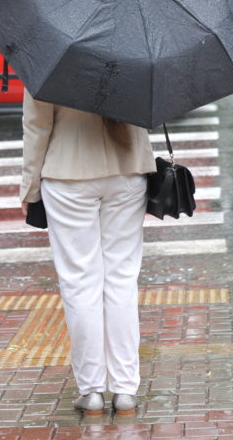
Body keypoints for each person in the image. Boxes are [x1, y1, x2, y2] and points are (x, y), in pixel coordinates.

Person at [20, 91, 156, 416]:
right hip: (128, 168)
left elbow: (37, 126)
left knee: (80, 282)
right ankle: (125, 389)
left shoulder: (47, 50)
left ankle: (91, 390)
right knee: (122, 281)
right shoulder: (136, 43)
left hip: (68, 174)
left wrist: (29, 187)